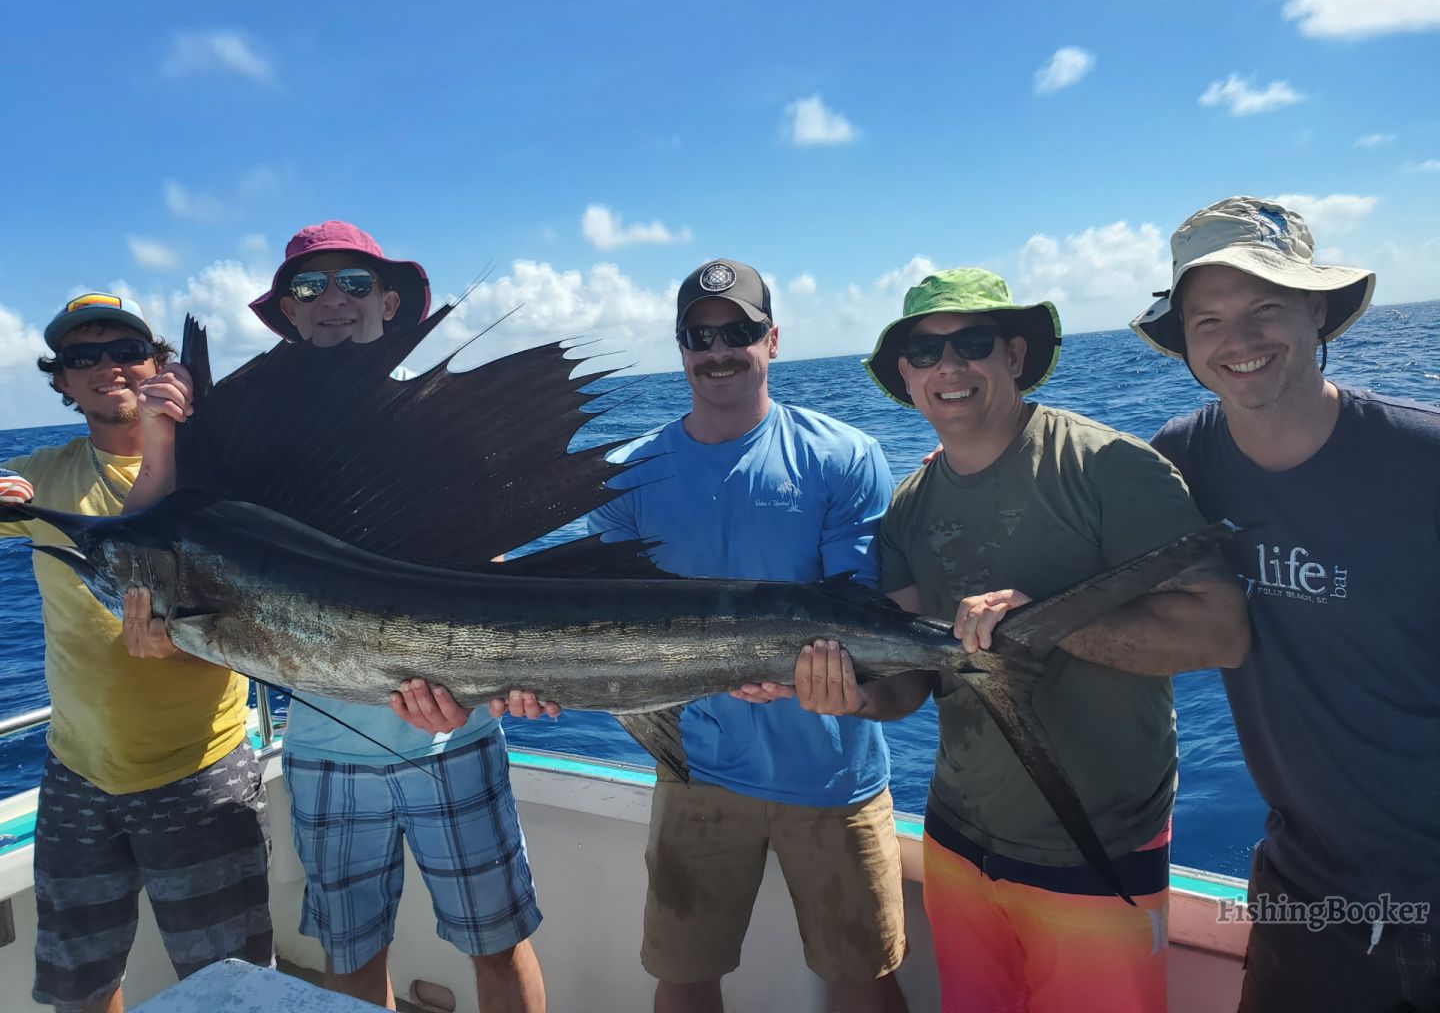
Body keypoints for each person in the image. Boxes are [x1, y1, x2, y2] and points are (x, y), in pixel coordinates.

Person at [397, 258, 909, 1013]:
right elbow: (587, 621)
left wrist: (841, 686)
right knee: (684, 977)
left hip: (831, 776)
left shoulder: (844, 456)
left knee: (863, 981)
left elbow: (859, 620)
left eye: (739, 331)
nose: (719, 349)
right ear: (680, 348)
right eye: (699, 336)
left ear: (774, 341)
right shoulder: (631, 474)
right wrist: (536, 682)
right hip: (694, 767)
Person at [789, 267, 1250, 1013]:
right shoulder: (907, 509)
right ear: (904, 374)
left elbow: (1221, 631)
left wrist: (1051, 623)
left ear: (1013, 354)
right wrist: (855, 696)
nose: (949, 367)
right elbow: (913, 682)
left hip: (1095, 851)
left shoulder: (1108, 466)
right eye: (925, 351)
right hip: (957, 843)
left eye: (971, 344)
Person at [126, 221, 547, 1012]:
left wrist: (490, 682)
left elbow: (489, 573)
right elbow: (155, 546)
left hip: (453, 737)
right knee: (353, 959)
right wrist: (158, 440)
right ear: (288, 312)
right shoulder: (252, 435)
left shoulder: (439, 423)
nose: (332, 302)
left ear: (390, 301)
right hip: (325, 750)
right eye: (309, 288)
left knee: (498, 945)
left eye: (353, 283)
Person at [1131, 196, 1440, 1013]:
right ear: (1185, 340)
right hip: (1306, 891)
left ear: (1316, 311)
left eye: (1266, 307)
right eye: (1210, 320)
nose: (1240, 341)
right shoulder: (1177, 463)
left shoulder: (1423, 459)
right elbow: (1078, 577)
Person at [0, 293, 272, 1013]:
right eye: (82, 357)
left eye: (124, 351)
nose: (106, 367)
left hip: (200, 772)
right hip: (77, 777)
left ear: (159, 364)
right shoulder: (39, 476)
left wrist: (161, 436)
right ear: (60, 381)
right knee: (79, 992)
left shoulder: (216, 477)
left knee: (233, 995)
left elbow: (253, 624)